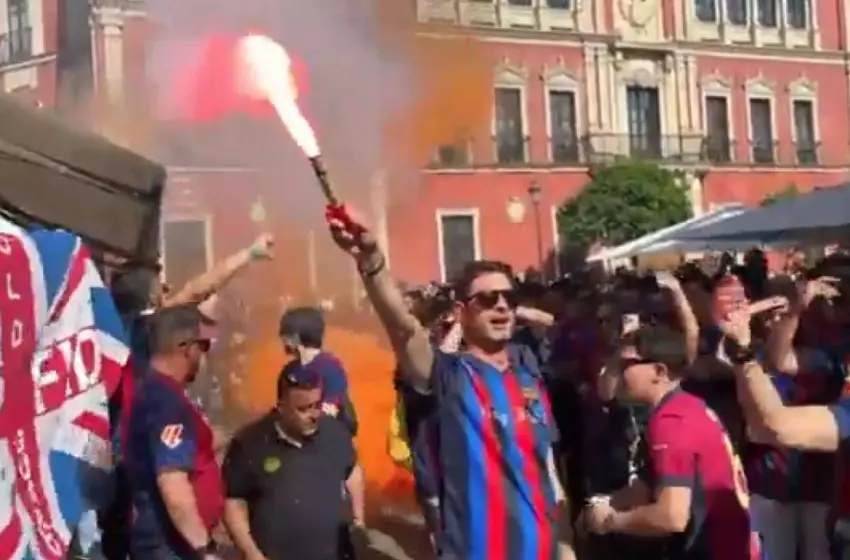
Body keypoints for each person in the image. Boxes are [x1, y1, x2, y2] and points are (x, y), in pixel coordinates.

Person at [327, 206, 572, 560]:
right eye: (487, 299)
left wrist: (565, 545)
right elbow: (404, 330)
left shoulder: (527, 375)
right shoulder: (448, 376)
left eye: (509, 299)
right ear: (460, 312)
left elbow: (546, 467)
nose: (502, 307)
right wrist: (372, 262)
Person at [582, 324, 760, 560]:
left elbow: (672, 517)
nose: (619, 372)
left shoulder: (671, 421)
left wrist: (610, 521)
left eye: (627, 364)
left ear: (659, 371)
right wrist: (603, 504)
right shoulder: (689, 405)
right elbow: (646, 487)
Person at [222, 364, 363, 560]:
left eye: (317, 405)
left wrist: (358, 520)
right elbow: (233, 502)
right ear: (281, 407)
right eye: (303, 409)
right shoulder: (249, 443)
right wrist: (252, 554)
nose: (314, 415)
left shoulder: (335, 434)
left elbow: (352, 470)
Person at [124, 304, 222, 559]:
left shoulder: (158, 393)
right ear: (186, 348)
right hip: (170, 545)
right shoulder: (167, 405)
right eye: (203, 346)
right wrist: (205, 549)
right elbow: (173, 484)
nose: (203, 355)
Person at [279, 306, 357, 434]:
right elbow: (282, 409)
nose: (281, 338)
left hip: (326, 438)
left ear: (296, 337)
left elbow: (330, 411)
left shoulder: (330, 367)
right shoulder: (289, 371)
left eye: (284, 333)